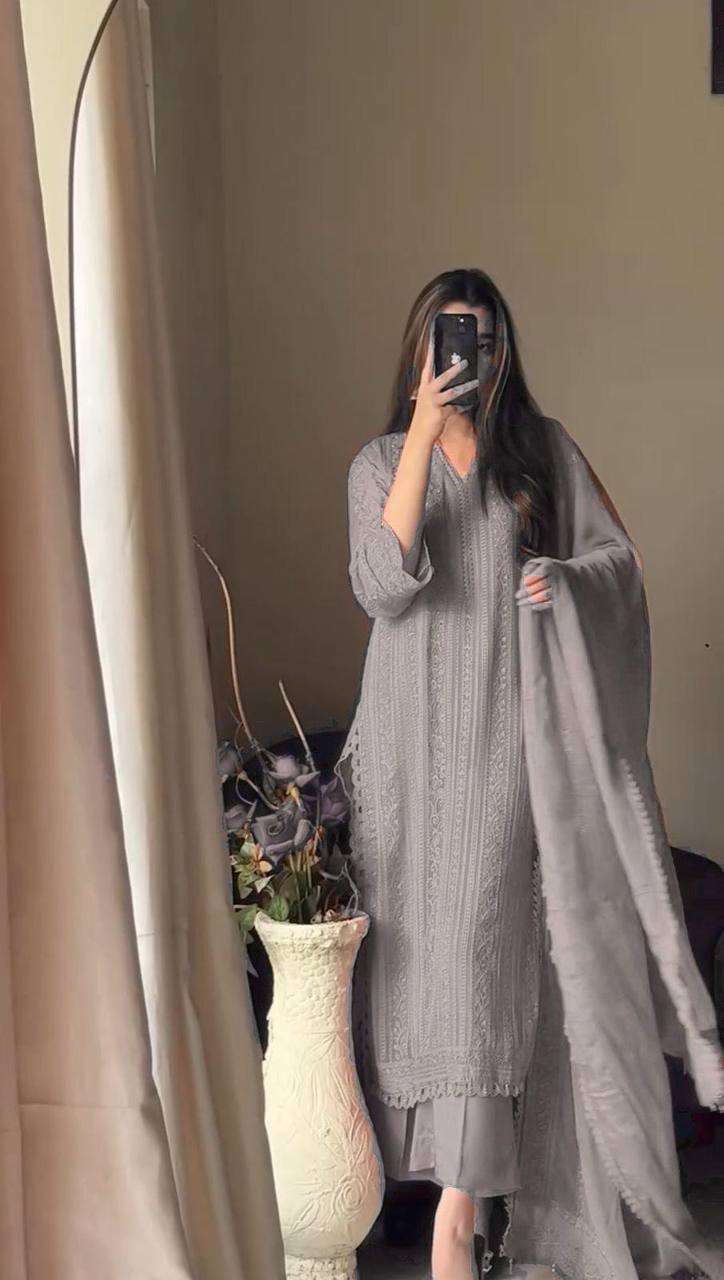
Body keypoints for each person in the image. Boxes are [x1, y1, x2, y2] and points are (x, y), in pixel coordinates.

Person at [335, 268, 724, 1280]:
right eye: (450, 337)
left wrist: (565, 581)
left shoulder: (542, 453)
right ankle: (460, 1202)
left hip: (511, 746)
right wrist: (423, 431)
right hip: (408, 761)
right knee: (424, 973)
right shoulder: (379, 460)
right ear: (421, 348)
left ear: (505, 349)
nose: (470, 356)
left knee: (483, 954)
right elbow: (381, 585)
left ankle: (458, 1213)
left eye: (484, 337)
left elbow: (618, 568)